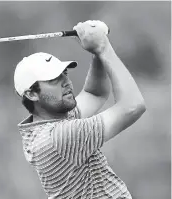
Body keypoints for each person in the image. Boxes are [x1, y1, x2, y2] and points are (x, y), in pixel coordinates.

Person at [13, 20, 146, 199]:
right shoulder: (59, 137)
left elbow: (95, 93)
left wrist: (95, 50)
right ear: (31, 94)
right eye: (54, 80)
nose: (66, 82)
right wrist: (103, 47)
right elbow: (133, 106)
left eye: (64, 74)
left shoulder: (50, 123)